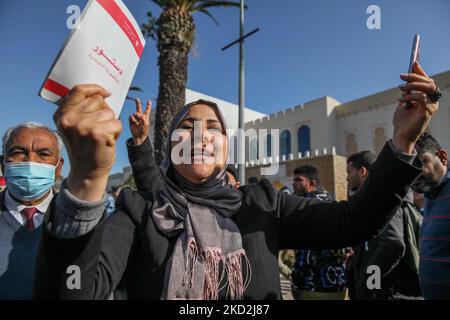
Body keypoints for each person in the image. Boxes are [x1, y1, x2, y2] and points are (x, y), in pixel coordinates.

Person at [34, 62, 438, 300]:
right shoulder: (137, 210)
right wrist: (86, 180)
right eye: (186, 127)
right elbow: (75, 290)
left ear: (226, 147)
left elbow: (355, 220)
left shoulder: (263, 204)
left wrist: (402, 141)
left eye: (212, 127)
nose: (199, 135)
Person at [0, 122, 64, 299]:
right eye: (18, 152)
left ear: (58, 167)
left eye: (43, 154)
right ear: (3, 163)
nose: (30, 162)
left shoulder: (77, 220)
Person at [347, 151, 422, 300]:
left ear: (362, 172)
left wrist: (368, 282)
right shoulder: (374, 201)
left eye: (349, 172)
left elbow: (392, 244)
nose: (347, 178)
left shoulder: (387, 200)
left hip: (390, 291)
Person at [290, 165, 347, 300]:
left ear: (311, 184)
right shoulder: (334, 203)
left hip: (314, 286)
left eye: (298, 180)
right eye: (294, 181)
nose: (294, 184)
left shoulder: (307, 206)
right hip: (337, 283)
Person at [412, 132, 450, 299]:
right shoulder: (431, 196)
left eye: (419, 162)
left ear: (442, 158)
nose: (411, 173)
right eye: (407, 167)